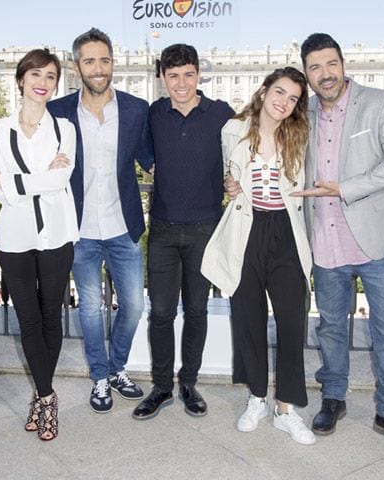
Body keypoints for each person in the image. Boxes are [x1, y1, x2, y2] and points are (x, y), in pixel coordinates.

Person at [0, 28, 153, 413]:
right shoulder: (58, 112)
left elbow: (151, 158)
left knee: (133, 306)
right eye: (90, 61)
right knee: (89, 309)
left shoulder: (136, 108)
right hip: (77, 229)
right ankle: (99, 378)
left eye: (105, 60)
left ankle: (118, 367)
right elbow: (16, 139)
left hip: (123, 226)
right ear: (78, 67)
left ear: (113, 64)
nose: (98, 68)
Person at [291, 33, 384, 453]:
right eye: (315, 67)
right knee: (332, 327)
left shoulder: (379, 102)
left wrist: (344, 187)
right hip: (325, 243)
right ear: (307, 73)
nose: (325, 74)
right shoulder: (305, 113)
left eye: (330, 64)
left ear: (343, 63)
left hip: (376, 243)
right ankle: (333, 398)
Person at [202, 67, 315, 445]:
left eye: (293, 98)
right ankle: (256, 398)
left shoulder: (299, 135)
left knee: (291, 321)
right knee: (247, 319)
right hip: (246, 230)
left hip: (286, 231)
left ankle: (286, 408)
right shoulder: (233, 130)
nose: (284, 102)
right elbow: (227, 175)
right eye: (279, 92)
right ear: (264, 91)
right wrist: (229, 184)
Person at [132, 44, 234, 420]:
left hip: (206, 228)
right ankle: (161, 387)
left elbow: (244, 146)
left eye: (188, 74)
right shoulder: (154, 113)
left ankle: (188, 383)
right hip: (161, 229)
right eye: (173, 76)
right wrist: (152, 165)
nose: (181, 83)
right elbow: (140, 148)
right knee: (160, 313)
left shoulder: (221, 113)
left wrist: (233, 177)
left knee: (196, 310)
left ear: (199, 75)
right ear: (162, 78)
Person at [0, 48, 78, 441]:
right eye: (36, 74)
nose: (43, 82)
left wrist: (13, 181)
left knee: (51, 318)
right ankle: (46, 396)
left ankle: (42, 398)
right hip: (15, 238)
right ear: (21, 79)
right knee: (28, 320)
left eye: (51, 76)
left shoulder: (65, 129)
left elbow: (58, 181)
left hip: (57, 234)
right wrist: (33, 180)